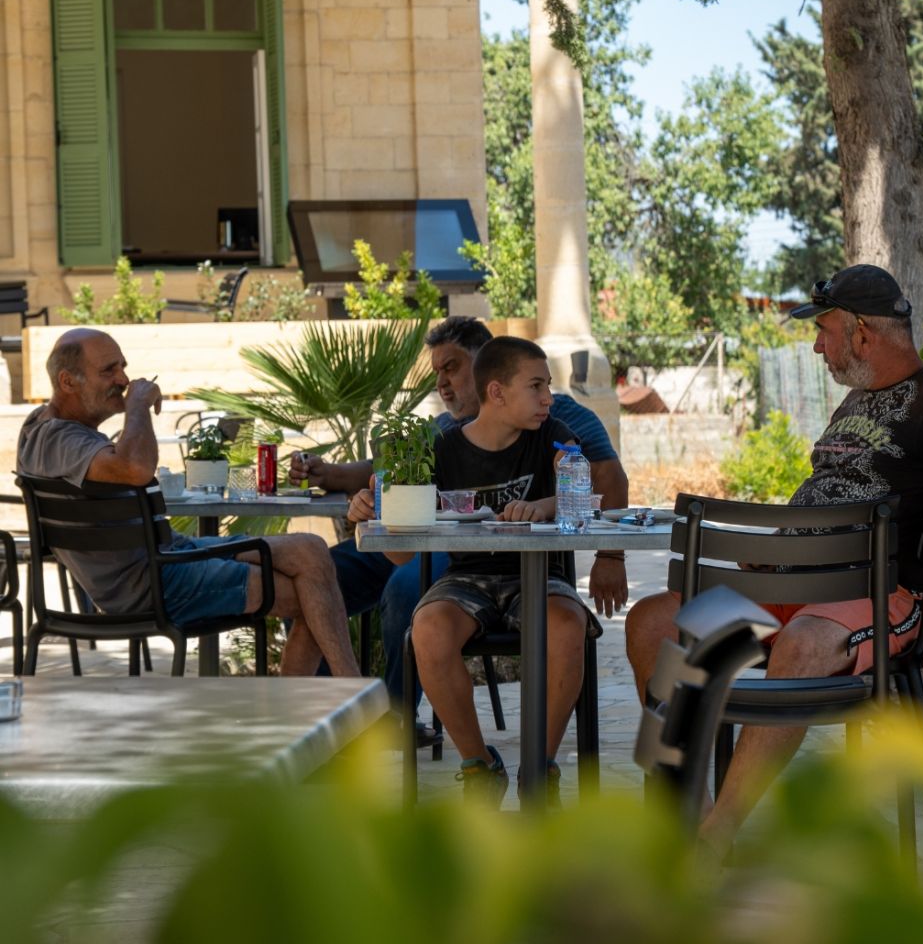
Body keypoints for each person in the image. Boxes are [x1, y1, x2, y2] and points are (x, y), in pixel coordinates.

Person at [625, 265, 923, 857]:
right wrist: (776, 549)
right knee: (653, 623)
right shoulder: (855, 400)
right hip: (786, 590)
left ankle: (716, 838)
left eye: (823, 330)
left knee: (802, 643)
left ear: (862, 333)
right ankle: (684, 817)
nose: (817, 346)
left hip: (879, 600)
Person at [289, 317, 629, 726]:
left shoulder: (552, 418)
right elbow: (387, 475)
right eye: (437, 372)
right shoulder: (444, 434)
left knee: (405, 588)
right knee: (319, 577)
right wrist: (330, 475)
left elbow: (603, 478)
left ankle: (397, 719)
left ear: (487, 368)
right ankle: (329, 716)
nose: (442, 383)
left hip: (486, 560)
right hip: (426, 538)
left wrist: (610, 555)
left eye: (451, 368)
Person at [17, 328, 360, 678]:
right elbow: (135, 468)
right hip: (153, 584)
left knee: (310, 549)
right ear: (67, 381)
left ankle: (351, 688)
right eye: (108, 370)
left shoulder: (43, 427)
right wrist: (137, 408)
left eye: (123, 367)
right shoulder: (59, 438)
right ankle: (349, 692)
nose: (123, 380)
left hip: (170, 557)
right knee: (313, 598)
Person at [349, 335, 602, 804]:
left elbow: (581, 492)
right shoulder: (442, 450)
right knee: (428, 630)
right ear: (497, 392)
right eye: (536, 386)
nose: (548, 397)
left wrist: (544, 506)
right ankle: (480, 766)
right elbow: (400, 556)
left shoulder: (553, 433)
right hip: (466, 579)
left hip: (539, 577)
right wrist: (373, 508)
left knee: (568, 626)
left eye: (547, 386)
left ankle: (539, 768)